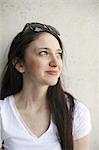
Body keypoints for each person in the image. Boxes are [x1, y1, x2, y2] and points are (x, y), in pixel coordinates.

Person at [0, 22, 92, 150]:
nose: (56, 63)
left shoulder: (76, 112)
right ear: (19, 64)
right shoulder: (3, 113)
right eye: (44, 53)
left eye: (58, 54)